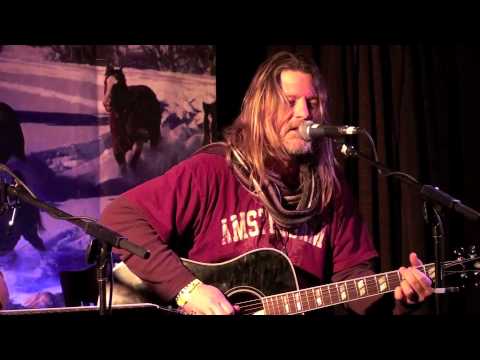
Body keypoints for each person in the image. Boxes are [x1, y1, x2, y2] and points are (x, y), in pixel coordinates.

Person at [100, 51, 433, 315]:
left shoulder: (330, 188)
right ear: (261, 110)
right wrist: (189, 290)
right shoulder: (213, 171)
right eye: (290, 102)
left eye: (312, 102)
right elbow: (119, 219)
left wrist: (401, 298)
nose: (305, 113)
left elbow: (352, 283)